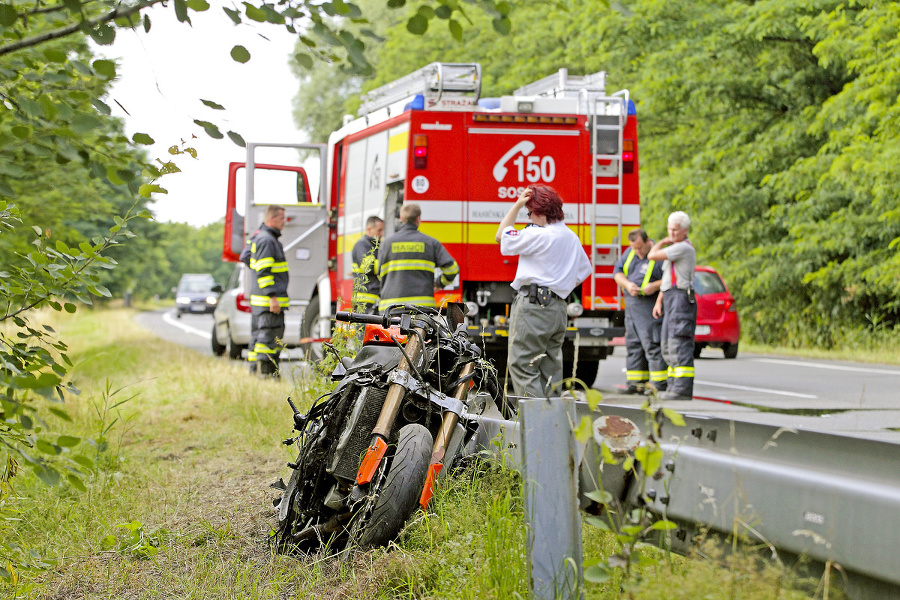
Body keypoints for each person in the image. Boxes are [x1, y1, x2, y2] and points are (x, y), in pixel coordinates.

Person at [496, 184, 592, 399]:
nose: (529, 218)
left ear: (539, 211)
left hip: (534, 306)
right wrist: (560, 285)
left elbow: (501, 236)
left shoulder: (537, 235)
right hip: (558, 307)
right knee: (550, 370)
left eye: (529, 213)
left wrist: (518, 203)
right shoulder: (571, 237)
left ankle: (535, 425)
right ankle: (552, 424)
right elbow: (584, 270)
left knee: (523, 365)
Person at [649, 211, 696, 400]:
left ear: (685, 231)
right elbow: (667, 280)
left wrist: (660, 242)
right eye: (669, 229)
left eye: (675, 230)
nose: (672, 233)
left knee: (679, 342)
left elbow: (652, 256)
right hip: (670, 296)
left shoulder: (683, 248)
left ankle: (682, 389)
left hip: (681, 299)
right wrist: (659, 301)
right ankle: (673, 386)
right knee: (667, 344)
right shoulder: (676, 248)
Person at [613, 229, 667, 395]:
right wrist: (628, 284)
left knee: (652, 343)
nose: (637, 251)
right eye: (634, 248)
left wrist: (655, 286)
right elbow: (617, 273)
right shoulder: (630, 253)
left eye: (640, 248)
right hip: (632, 304)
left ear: (648, 241)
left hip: (650, 305)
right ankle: (636, 383)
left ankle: (659, 383)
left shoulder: (659, 255)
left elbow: (671, 277)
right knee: (633, 343)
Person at [377, 203, 459, 312]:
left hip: (391, 308)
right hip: (422, 309)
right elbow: (452, 269)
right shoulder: (431, 243)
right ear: (418, 219)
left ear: (401, 218)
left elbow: (379, 274)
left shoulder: (386, 244)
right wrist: (439, 283)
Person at [248, 205, 289, 377]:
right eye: (281, 218)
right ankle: (264, 375)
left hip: (264, 302)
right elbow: (264, 272)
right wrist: (272, 297)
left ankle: (255, 373)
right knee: (267, 339)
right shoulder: (267, 240)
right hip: (268, 303)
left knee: (261, 338)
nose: (284, 222)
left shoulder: (264, 238)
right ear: (271, 219)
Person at [351, 216, 385, 314]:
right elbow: (368, 267)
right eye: (379, 230)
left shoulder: (377, 246)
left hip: (375, 298)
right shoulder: (362, 245)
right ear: (369, 229)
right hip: (365, 300)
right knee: (363, 328)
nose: (381, 234)